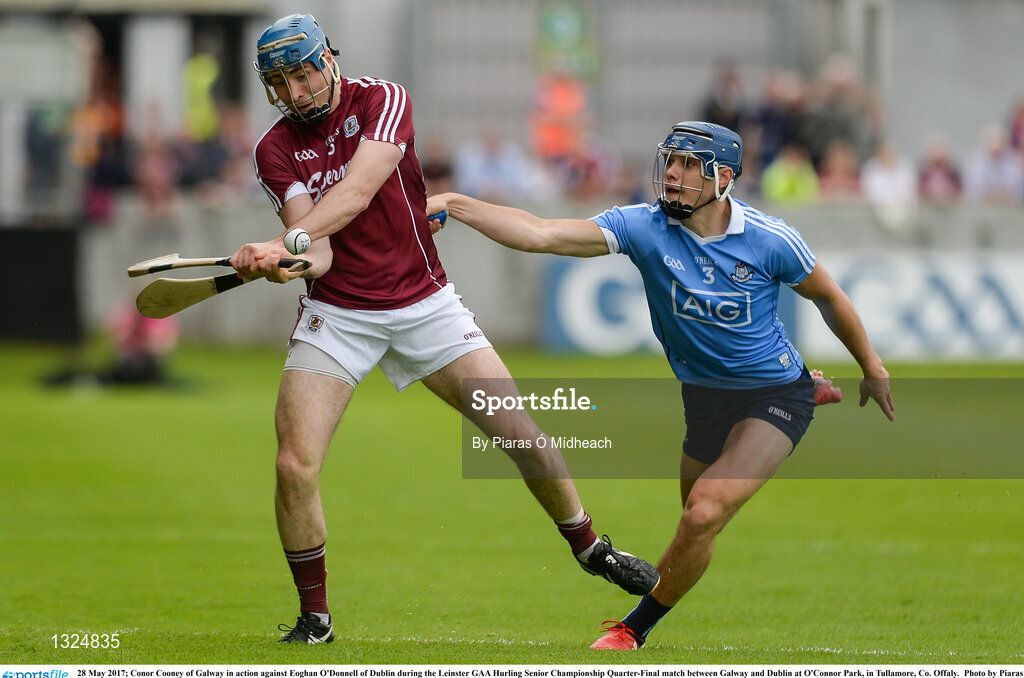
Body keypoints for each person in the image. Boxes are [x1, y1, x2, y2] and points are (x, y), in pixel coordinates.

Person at [227, 14, 658, 645]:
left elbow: (356, 193)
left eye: (302, 74)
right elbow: (316, 255)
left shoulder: (382, 100)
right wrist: (280, 265)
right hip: (339, 314)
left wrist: (280, 240)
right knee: (294, 464)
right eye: (280, 82)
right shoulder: (275, 149)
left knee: (522, 435)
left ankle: (591, 547)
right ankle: (315, 619)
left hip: (424, 304)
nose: (295, 93)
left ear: (328, 61)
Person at [426, 121, 894, 650]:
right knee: (693, 518)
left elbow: (829, 296)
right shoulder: (644, 226)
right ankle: (800, 385)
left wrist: (872, 367)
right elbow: (541, 231)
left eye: (688, 164)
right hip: (703, 400)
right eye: (669, 161)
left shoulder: (770, 239)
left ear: (723, 178)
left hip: (772, 397)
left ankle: (633, 627)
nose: (672, 174)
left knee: (702, 515)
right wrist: (458, 203)